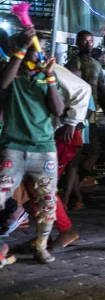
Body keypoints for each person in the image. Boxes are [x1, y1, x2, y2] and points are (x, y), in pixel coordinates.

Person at [0, 26, 64, 264]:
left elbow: (58, 110)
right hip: (13, 147)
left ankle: (41, 245)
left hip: (43, 149)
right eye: (34, 49)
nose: (38, 54)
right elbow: (3, 84)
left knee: (47, 201)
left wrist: (50, 76)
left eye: (41, 50)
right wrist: (22, 49)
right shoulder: (12, 72)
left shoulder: (47, 77)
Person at [65, 31, 105, 172]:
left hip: (91, 115)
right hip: (78, 115)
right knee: (79, 153)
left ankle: (75, 185)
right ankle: (73, 187)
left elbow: (101, 90)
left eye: (91, 41)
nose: (88, 43)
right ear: (78, 43)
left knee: (92, 152)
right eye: (85, 41)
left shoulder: (97, 64)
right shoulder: (73, 64)